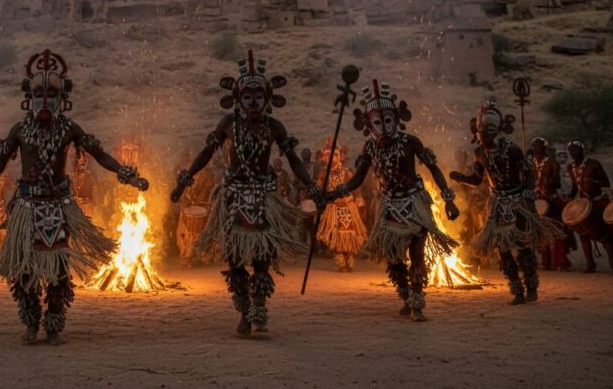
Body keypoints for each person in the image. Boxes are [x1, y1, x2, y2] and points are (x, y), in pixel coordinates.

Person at [0, 49, 148, 345]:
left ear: (63, 98)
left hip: (58, 207)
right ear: (28, 96)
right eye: (38, 93)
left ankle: (54, 323)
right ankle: (32, 322)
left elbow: (98, 154)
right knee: (24, 270)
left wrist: (126, 174)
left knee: (59, 271)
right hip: (26, 206)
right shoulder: (20, 129)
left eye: (51, 94)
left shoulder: (69, 129)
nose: (44, 100)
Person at [170, 51, 315, 336]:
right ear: (237, 99)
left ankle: (259, 309)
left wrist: (310, 185)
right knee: (235, 259)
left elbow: (294, 160)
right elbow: (206, 152)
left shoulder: (274, 127)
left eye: (259, 97)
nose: (253, 103)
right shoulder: (228, 125)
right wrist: (185, 179)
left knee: (261, 258)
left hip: (263, 198)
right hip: (234, 197)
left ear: (268, 99)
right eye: (247, 97)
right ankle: (244, 310)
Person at [331, 80, 458, 322]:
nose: (384, 128)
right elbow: (357, 178)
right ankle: (406, 295)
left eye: (388, 121)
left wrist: (448, 199)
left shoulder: (411, 142)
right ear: (369, 124)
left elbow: (433, 168)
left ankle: (418, 303)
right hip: (388, 205)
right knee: (393, 258)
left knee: (417, 255)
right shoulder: (369, 148)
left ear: (397, 119)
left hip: (414, 204)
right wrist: (334, 194)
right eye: (377, 123)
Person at [451, 102, 562, 304]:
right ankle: (517, 289)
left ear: (496, 132)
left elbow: (528, 172)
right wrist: (461, 178)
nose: (483, 138)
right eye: (481, 134)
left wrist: (528, 191)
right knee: (502, 249)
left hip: (517, 200)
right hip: (497, 204)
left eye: (487, 134)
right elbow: (477, 179)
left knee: (522, 244)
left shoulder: (513, 149)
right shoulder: (479, 153)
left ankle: (531, 286)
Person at [566, 140, 613, 275]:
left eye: (576, 149)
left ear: (582, 150)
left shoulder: (593, 163)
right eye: (571, 150)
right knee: (584, 235)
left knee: (606, 235)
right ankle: (590, 265)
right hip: (583, 204)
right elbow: (574, 188)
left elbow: (606, 182)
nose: (573, 152)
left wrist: (594, 182)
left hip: (598, 202)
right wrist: (568, 198)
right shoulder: (570, 167)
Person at [314, 138, 367, 272]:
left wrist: (359, 197)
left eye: (334, 155)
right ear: (324, 157)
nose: (331, 158)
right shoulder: (322, 174)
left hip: (348, 207)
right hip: (332, 208)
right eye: (327, 155)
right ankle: (341, 263)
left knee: (350, 235)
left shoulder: (348, 172)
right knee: (335, 236)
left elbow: (356, 187)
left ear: (340, 156)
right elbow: (320, 190)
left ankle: (349, 259)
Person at [530, 137, 572, 271]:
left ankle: (561, 262)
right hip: (536, 201)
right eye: (534, 146)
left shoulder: (553, 164)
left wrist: (549, 180)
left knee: (557, 231)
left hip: (551, 200)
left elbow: (557, 182)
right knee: (540, 233)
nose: (536, 149)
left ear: (544, 148)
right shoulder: (530, 164)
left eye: (539, 146)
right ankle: (545, 261)